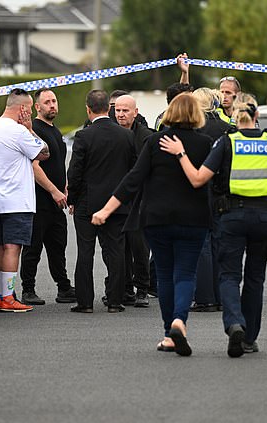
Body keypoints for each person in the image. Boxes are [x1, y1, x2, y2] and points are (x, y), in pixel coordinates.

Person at [159, 94, 267, 357]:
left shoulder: (226, 143)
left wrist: (180, 153)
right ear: (257, 115)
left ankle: (234, 323)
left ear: (234, 116)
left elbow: (197, 179)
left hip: (232, 218)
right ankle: (249, 338)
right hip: (264, 219)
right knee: (255, 279)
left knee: (228, 276)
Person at [92, 93, 213, 356]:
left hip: (156, 219)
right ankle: (180, 320)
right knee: (185, 274)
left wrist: (106, 209)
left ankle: (169, 331)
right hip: (194, 219)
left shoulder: (155, 141)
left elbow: (133, 179)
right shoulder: (206, 144)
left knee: (165, 275)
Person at [67, 90, 136, 313]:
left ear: (88, 109)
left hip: (88, 203)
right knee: (116, 251)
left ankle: (85, 302)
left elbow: (75, 172)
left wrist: (72, 199)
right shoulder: (126, 136)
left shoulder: (83, 136)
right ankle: (115, 300)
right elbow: (132, 170)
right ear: (110, 108)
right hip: (117, 203)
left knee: (85, 251)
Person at [0, 88, 49, 312]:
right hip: (17, 199)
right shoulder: (17, 131)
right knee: (14, 248)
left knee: (2, 246)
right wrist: (31, 130)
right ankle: (7, 298)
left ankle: (1, 293)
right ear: (22, 108)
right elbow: (44, 152)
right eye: (30, 108)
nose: (31, 112)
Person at [19, 88, 76, 306]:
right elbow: (35, 167)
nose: (52, 105)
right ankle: (28, 290)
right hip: (39, 200)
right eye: (47, 102)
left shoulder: (55, 130)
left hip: (57, 200)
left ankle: (63, 288)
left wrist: (66, 187)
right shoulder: (34, 130)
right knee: (33, 247)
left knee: (57, 246)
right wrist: (53, 190)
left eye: (54, 101)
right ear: (37, 107)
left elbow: (57, 164)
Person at [189, 87, 234, 313]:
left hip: (198, 190)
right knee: (220, 243)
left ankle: (205, 297)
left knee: (202, 243)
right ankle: (221, 296)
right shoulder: (229, 129)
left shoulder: (192, 129)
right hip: (224, 192)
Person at [114, 94, 154, 307]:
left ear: (135, 112)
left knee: (139, 246)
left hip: (139, 200)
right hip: (117, 199)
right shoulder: (112, 133)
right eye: (118, 110)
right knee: (120, 248)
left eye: (125, 110)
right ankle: (125, 288)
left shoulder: (146, 136)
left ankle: (142, 289)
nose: (120, 114)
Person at [178, 53, 240, 123]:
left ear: (237, 95)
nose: (223, 95)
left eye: (228, 93)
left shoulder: (244, 115)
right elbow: (185, 96)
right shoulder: (212, 110)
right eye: (221, 92)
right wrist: (185, 73)